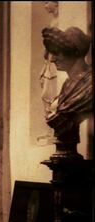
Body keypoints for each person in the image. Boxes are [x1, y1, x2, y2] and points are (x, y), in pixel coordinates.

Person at [41, 26, 92, 158]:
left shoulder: (90, 84)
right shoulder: (67, 85)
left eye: (58, 53)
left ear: (74, 52)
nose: (52, 59)